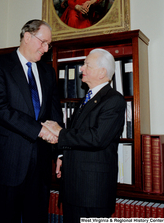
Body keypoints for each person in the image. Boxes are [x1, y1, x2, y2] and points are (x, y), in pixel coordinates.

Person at [0, 19, 63, 223]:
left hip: (41, 167)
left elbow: (55, 115)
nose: (46, 49)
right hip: (8, 165)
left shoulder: (48, 72)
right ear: (27, 37)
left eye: (49, 44)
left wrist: (61, 149)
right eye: (43, 42)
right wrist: (39, 130)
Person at [42, 48, 126, 222]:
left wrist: (60, 132)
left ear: (102, 72)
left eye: (87, 64)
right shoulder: (87, 99)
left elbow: (97, 138)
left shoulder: (114, 100)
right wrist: (62, 154)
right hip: (74, 189)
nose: (81, 69)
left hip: (93, 192)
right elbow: (78, 135)